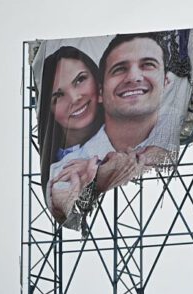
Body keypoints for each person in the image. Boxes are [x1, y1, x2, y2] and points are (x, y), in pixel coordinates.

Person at [48, 33, 183, 224]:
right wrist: (90, 181)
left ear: (166, 83)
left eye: (148, 65)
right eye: (119, 69)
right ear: (101, 91)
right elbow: (61, 200)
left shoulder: (172, 121)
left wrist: (107, 169)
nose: (135, 77)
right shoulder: (70, 164)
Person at [38, 46, 103, 200]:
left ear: (99, 85)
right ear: (50, 110)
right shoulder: (55, 170)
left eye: (80, 80)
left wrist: (100, 168)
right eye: (59, 95)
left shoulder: (127, 140)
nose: (74, 98)